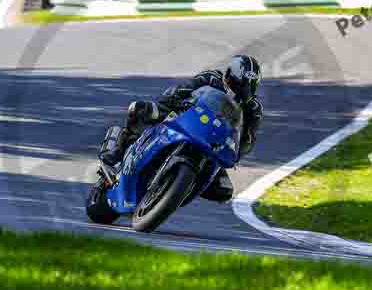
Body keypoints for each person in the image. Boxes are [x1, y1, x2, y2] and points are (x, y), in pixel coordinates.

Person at [97, 55, 263, 203]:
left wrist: (237, 151)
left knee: (224, 190)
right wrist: (175, 97)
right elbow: (187, 86)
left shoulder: (253, 109)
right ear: (229, 76)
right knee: (140, 109)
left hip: (213, 145)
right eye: (239, 84)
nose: (242, 90)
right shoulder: (212, 78)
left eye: (248, 87)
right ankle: (118, 149)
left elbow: (247, 140)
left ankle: (180, 188)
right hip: (184, 115)